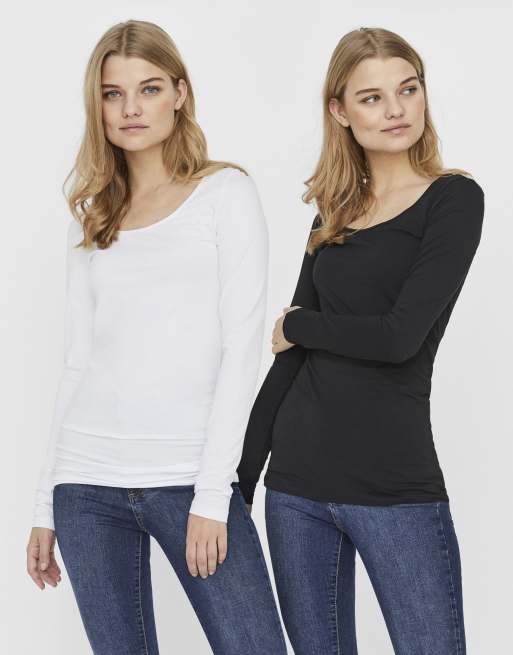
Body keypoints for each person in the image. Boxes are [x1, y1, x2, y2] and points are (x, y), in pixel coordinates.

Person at [26, 19, 287, 655]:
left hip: (188, 476)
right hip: (87, 484)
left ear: (180, 93)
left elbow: (241, 349)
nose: (131, 108)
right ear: (98, 107)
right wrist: (43, 506)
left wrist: (212, 494)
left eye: (148, 89)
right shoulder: (93, 217)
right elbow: (77, 363)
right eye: (113, 94)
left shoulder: (225, 193)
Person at [237, 27, 484, 655]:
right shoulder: (332, 213)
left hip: (394, 485)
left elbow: (400, 337)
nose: (396, 109)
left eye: (408, 89)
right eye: (372, 97)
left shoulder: (453, 200)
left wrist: (300, 323)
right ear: (340, 111)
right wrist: (238, 481)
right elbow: (289, 366)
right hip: (295, 487)